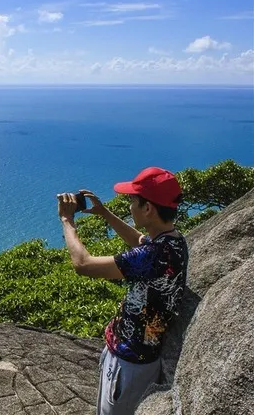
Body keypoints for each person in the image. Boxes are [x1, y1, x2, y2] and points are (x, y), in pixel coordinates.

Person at [56, 167, 189, 415]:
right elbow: (139, 240)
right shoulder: (173, 241)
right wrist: (106, 213)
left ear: (148, 208)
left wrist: (67, 221)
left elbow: (83, 264)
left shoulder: (152, 256)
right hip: (133, 356)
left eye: (132, 201)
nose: (129, 206)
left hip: (130, 363)